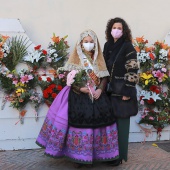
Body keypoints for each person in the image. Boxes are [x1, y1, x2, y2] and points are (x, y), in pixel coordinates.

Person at [36, 29, 119, 168]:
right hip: (79, 96)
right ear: (81, 44)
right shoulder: (76, 58)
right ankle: (78, 157)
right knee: (80, 122)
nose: (89, 44)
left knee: (103, 122)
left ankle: (101, 155)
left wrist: (99, 89)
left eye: (91, 42)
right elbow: (69, 77)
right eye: (86, 42)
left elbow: (104, 77)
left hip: (98, 96)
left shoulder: (99, 59)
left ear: (95, 44)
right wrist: (80, 88)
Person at [103, 18, 139, 166]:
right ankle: (110, 154)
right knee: (110, 126)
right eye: (114, 27)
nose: (116, 30)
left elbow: (133, 69)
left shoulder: (128, 46)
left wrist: (128, 91)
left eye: (119, 28)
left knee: (122, 126)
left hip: (122, 92)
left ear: (124, 31)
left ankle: (119, 156)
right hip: (109, 91)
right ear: (109, 30)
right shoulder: (107, 45)